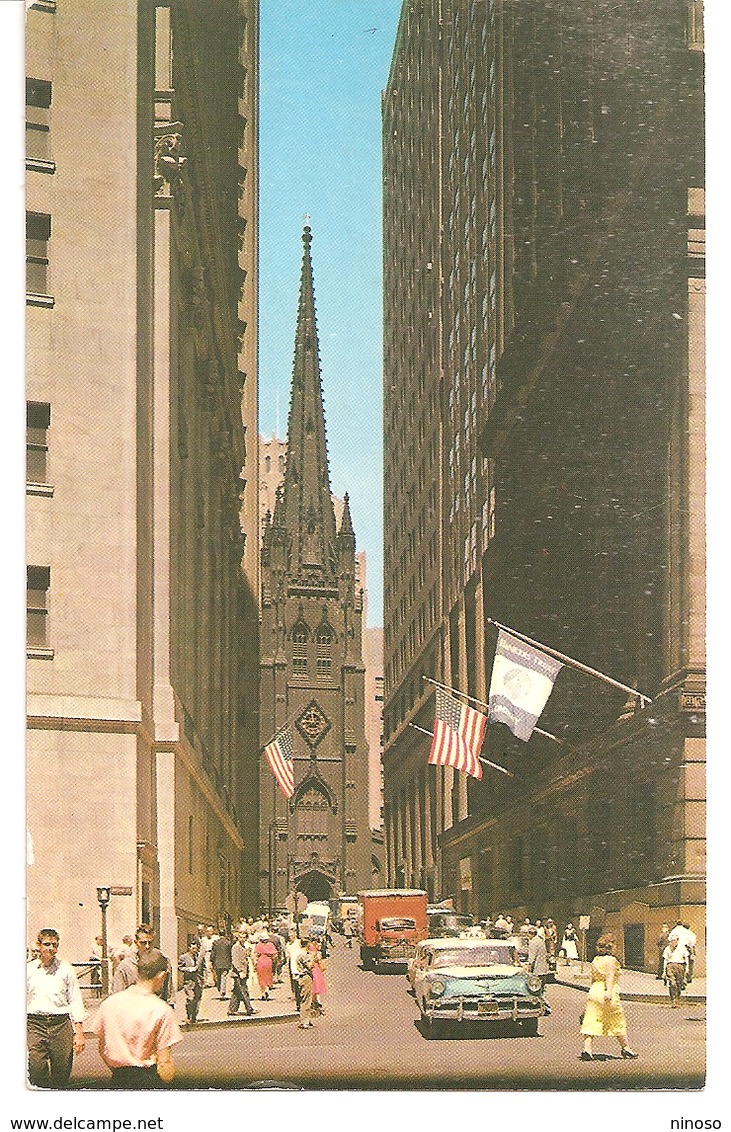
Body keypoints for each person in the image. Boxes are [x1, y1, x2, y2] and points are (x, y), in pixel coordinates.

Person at [90, 948, 182, 1089]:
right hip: (147, 1079)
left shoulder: (109, 1004)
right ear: (162, 976)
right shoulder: (161, 1009)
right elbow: (164, 1062)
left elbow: (102, 1049)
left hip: (118, 1079)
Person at [27, 928, 86, 1088]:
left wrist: (79, 1033)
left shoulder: (65, 969)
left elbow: (75, 1000)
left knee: (62, 1072)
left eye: (54, 945)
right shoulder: (28, 970)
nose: (51, 948)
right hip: (35, 1024)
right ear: (39, 945)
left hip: (60, 1024)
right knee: (36, 1068)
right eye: (47, 944)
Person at [579, 933, 638, 1060]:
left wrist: (591, 992)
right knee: (616, 1019)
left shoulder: (596, 960)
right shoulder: (611, 960)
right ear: (611, 947)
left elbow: (593, 978)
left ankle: (587, 1049)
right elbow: (610, 976)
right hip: (607, 991)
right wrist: (609, 991)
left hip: (595, 990)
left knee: (591, 1019)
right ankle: (626, 1048)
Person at [113, 923, 174, 1002]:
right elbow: (117, 995)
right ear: (136, 942)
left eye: (150, 942)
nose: (147, 946)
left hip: (157, 1010)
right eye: (143, 943)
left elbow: (169, 993)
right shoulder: (126, 966)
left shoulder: (163, 962)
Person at [228, 933, 256, 1016]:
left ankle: (232, 1009)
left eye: (244, 937)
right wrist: (240, 971)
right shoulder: (236, 947)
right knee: (243, 991)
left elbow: (244, 957)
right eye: (241, 937)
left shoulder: (243, 947)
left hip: (243, 972)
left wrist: (248, 952)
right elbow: (235, 960)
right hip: (238, 973)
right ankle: (249, 1008)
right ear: (238, 938)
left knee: (237, 991)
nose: (242, 939)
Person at [178, 938, 206, 1023]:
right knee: (191, 998)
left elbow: (204, 967)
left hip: (198, 981)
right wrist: (188, 969)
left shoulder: (199, 957)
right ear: (189, 948)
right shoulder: (184, 957)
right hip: (189, 981)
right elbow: (179, 967)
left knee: (197, 999)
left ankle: (194, 1016)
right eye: (193, 948)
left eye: (196, 948)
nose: (194, 950)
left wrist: (205, 977)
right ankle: (188, 1014)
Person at [663, 932, 689, 1008]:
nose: (672, 942)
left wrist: (687, 969)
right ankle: (673, 1000)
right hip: (670, 966)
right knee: (672, 983)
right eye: (671, 941)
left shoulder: (682, 948)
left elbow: (686, 958)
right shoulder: (667, 948)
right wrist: (664, 971)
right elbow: (665, 959)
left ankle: (677, 999)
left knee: (679, 984)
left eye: (674, 940)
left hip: (680, 966)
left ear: (677, 941)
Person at [296, 932, 316, 1028]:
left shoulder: (300, 953)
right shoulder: (304, 955)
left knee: (306, 999)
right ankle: (304, 1021)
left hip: (303, 977)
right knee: (306, 1000)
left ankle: (307, 1019)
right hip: (306, 977)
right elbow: (310, 966)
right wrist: (313, 958)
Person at [525, 925, 551, 991]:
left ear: (531, 934)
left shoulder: (533, 942)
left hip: (536, 969)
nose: (527, 936)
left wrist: (529, 966)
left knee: (534, 989)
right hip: (543, 968)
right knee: (541, 987)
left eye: (528, 934)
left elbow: (532, 956)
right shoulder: (540, 940)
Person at [254, 931, 277, 1000]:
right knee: (268, 976)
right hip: (268, 961)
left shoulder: (258, 945)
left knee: (261, 977)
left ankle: (263, 992)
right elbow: (275, 954)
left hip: (260, 961)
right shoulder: (270, 945)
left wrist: (255, 963)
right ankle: (267, 989)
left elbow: (256, 955)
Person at [308, 939, 327, 1016]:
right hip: (316, 970)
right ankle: (317, 1004)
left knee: (315, 987)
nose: (320, 945)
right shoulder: (316, 953)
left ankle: (316, 1004)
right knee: (316, 987)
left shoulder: (310, 952)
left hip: (316, 970)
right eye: (318, 944)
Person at [210, 931, 233, 997]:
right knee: (224, 976)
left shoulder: (215, 943)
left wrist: (211, 961)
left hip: (217, 963)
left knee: (218, 977)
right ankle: (222, 990)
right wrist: (231, 962)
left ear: (219, 934)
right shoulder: (228, 943)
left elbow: (213, 953)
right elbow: (230, 953)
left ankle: (220, 989)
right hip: (226, 963)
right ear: (225, 934)